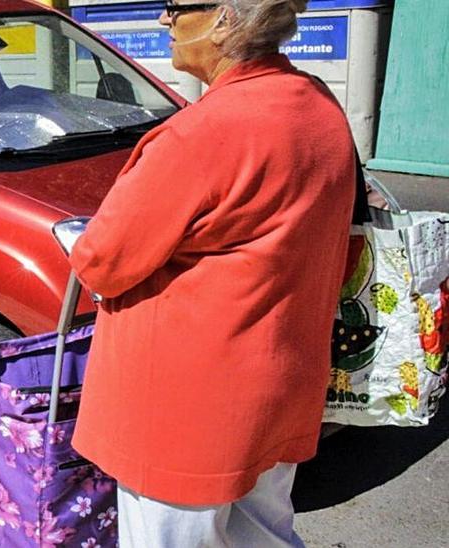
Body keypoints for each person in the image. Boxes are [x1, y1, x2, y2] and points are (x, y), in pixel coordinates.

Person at [67, 1, 353, 545]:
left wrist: (81, 242)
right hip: (279, 380)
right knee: (266, 532)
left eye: (176, 7)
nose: (164, 21)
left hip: (185, 407)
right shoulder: (316, 105)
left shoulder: (202, 134)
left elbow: (102, 260)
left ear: (224, 19)